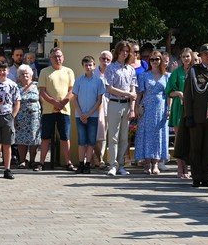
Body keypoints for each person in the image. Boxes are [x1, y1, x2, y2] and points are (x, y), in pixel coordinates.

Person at [171, 44, 208, 187]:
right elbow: (188, 95)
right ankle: (196, 177)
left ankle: (206, 177)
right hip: (196, 117)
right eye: (207, 54)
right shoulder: (194, 71)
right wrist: (188, 116)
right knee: (195, 148)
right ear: (201, 56)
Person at [37, 48, 76, 171]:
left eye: (59, 56)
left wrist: (62, 103)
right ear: (50, 58)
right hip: (48, 110)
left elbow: (72, 90)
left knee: (65, 137)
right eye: (55, 56)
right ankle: (41, 163)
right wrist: (54, 103)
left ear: (63, 57)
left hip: (64, 110)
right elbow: (42, 91)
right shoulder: (44, 71)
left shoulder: (69, 71)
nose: (57, 58)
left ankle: (68, 162)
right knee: (45, 137)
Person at [133, 50, 170, 174]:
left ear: (161, 60)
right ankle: (147, 163)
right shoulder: (144, 75)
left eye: (157, 59)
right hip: (147, 109)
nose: (154, 61)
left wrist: (168, 109)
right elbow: (139, 94)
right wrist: (136, 107)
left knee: (159, 135)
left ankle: (156, 164)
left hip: (161, 109)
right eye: (152, 59)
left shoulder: (167, 76)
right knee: (146, 135)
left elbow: (168, 95)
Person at [104, 41, 137, 176]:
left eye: (127, 51)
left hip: (127, 105)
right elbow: (110, 88)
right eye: (122, 50)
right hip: (114, 103)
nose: (125, 53)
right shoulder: (111, 68)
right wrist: (127, 94)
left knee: (124, 137)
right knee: (113, 136)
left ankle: (121, 165)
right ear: (117, 52)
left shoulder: (131, 69)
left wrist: (132, 108)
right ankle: (113, 165)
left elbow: (133, 89)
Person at [70, 56, 104, 173]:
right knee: (81, 141)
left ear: (94, 66)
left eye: (90, 65)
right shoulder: (79, 80)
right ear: (83, 66)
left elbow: (99, 100)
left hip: (93, 116)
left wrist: (88, 114)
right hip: (80, 115)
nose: (88, 67)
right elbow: (74, 98)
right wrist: (81, 113)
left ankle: (88, 165)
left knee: (91, 141)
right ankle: (81, 164)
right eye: (86, 65)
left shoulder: (99, 81)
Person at [166, 48, 195, 178]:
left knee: (190, 139)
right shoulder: (176, 72)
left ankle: (187, 168)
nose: (185, 59)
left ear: (191, 57)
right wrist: (178, 93)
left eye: (187, 56)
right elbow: (169, 91)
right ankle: (180, 167)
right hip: (179, 107)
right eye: (183, 57)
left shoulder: (195, 71)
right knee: (179, 140)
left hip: (193, 108)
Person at [14, 64, 41, 169]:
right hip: (21, 116)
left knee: (34, 139)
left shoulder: (37, 86)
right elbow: (13, 102)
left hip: (34, 117)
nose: (25, 75)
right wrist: (14, 117)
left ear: (31, 75)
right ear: (19, 76)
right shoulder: (16, 87)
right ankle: (22, 161)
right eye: (22, 74)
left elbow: (42, 101)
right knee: (21, 139)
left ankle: (33, 160)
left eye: (27, 73)